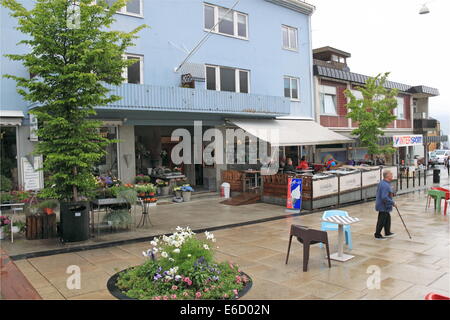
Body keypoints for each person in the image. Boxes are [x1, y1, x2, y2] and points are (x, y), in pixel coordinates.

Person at [374, 170, 396, 240]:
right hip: (383, 206)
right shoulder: (385, 185)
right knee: (381, 220)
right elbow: (384, 197)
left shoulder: (384, 183)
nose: (392, 176)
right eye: (391, 174)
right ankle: (377, 234)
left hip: (385, 206)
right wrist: (392, 203)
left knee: (387, 218)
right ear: (387, 176)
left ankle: (387, 232)